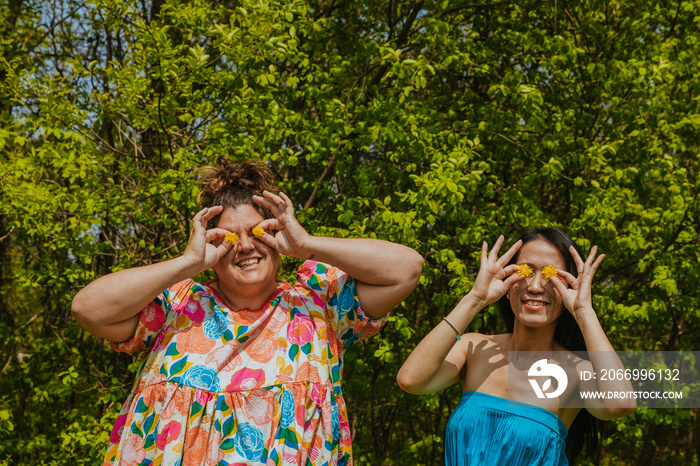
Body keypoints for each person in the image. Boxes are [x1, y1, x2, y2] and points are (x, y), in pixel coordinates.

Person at [72, 157, 424, 466]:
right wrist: (186, 263)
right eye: (226, 238)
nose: (243, 246)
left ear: (277, 232)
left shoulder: (321, 303)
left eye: (257, 231)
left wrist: (306, 245)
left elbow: (406, 268)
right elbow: (88, 309)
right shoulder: (175, 305)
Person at [396, 228, 635, 465]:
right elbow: (411, 380)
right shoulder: (474, 348)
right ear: (508, 281)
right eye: (526, 271)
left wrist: (584, 312)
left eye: (551, 275)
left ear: (568, 288)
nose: (535, 286)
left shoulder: (575, 371)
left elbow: (620, 403)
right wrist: (475, 299)